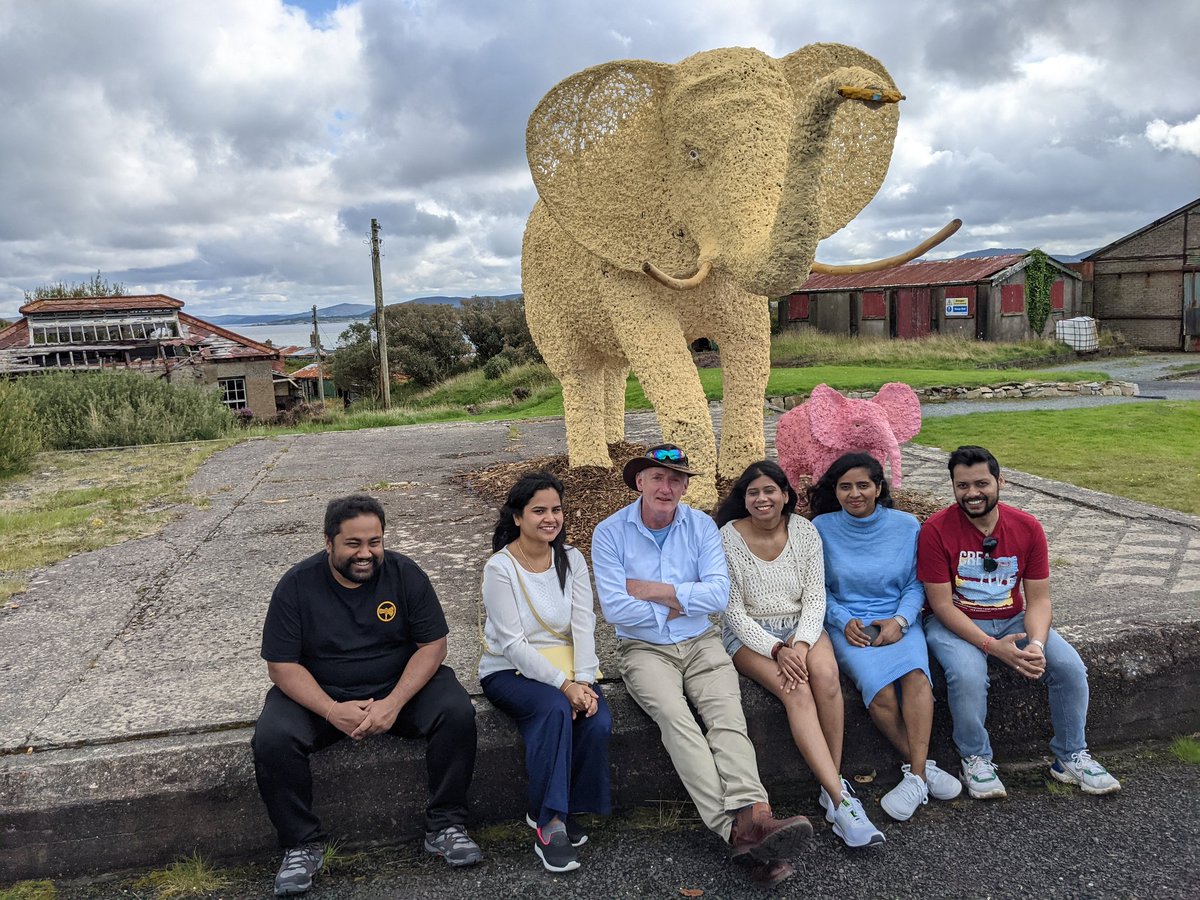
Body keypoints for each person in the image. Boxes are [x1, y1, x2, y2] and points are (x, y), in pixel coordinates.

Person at [592, 444, 811, 890]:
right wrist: (681, 600)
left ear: (687, 486)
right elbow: (615, 608)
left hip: (702, 641)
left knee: (728, 718)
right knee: (677, 722)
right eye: (657, 477)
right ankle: (737, 830)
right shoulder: (610, 532)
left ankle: (757, 817)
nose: (666, 487)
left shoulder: (701, 527)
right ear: (640, 482)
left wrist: (652, 590)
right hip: (643, 649)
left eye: (676, 479)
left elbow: (716, 597)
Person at [253, 495, 482, 897]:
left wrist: (393, 703)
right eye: (353, 544)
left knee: (457, 710)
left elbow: (433, 645)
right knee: (272, 737)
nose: (366, 553)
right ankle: (302, 845)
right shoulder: (296, 585)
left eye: (374, 542)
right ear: (329, 543)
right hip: (322, 694)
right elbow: (281, 666)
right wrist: (330, 710)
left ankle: (446, 825)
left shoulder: (406, 574)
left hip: (397, 688)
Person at [918, 446, 1120, 798]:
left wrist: (1037, 645)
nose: (972, 493)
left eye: (982, 483)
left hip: (1012, 618)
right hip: (955, 622)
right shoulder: (936, 530)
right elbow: (940, 605)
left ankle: (1070, 755)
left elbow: (1039, 599)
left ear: (1001, 481)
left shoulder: (1027, 527)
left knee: (1070, 667)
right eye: (962, 485)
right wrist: (992, 647)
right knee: (967, 675)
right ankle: (975, 758)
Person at [716, 460, 887, 848]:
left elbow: (814, 597)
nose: (762, 498)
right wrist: (777, 649)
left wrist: (800, 644)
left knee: (826, 678)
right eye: (753, 492)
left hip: (801, 628)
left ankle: (832, 785)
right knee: (796, 690)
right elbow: (733, 613)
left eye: (770, 490)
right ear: (744, 499)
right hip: (750, 638)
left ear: (786, 495)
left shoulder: (805, 532)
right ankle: (844, 803)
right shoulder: (727, 537)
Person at [809, 453, 963, 823]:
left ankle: (917, 776)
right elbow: (817, 588)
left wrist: (901, 621)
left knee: (916, 679)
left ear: (879, 487)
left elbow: (916, 584)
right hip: (849, 625)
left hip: (898, 618)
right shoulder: (820, 528)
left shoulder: (907, 525)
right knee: (878, 692)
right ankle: (921, 768)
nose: (855, 493)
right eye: (845, 486)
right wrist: (843, 620)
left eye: (863, 485)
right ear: (836, 491)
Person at [479, 472, 612, 873]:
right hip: (509, 671)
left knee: (598, 718)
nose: (549, 518)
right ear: (517, 517)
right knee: (554, 710)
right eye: (538, 510)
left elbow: (585, 623)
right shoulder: (500, 568)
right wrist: (565, 686)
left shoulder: (570, 559)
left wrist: (584, 684)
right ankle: (549, 823)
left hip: (568, 669)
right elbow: (513, 644)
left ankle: (567, 805)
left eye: (556, 509)